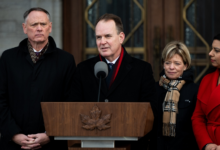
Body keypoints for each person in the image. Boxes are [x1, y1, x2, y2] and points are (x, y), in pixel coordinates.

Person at [69, 13, 156, 149]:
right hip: (92, 144)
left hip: (131, 145)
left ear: (121, 37)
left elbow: (149, 110)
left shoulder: (141, 69)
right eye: (98, 37)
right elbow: (73, 107)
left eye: (107, 36)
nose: (102, 42)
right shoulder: (83, 69)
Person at [0, 7, 76, 150]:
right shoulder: (8, 59)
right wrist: (14, 134)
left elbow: (70, 103)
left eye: (43, 24)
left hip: (52, 144)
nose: (39, 28)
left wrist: (50, 134)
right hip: (12, 144)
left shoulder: (66, 60)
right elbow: (1, 100)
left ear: (50, 27)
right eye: (34, 24)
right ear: (25, 28)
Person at [154, 41, 199, 150]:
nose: (171, 67)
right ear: (163, 63)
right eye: (168, 62)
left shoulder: (194, 90)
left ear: (185, 65)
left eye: (177, 63)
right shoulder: (154, 88)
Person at [191, 34, 220, 150]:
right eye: (211, 49)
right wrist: (206, 143)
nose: (210, 53)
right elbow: (198, 117)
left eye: (216, 50)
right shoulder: (206, 79)